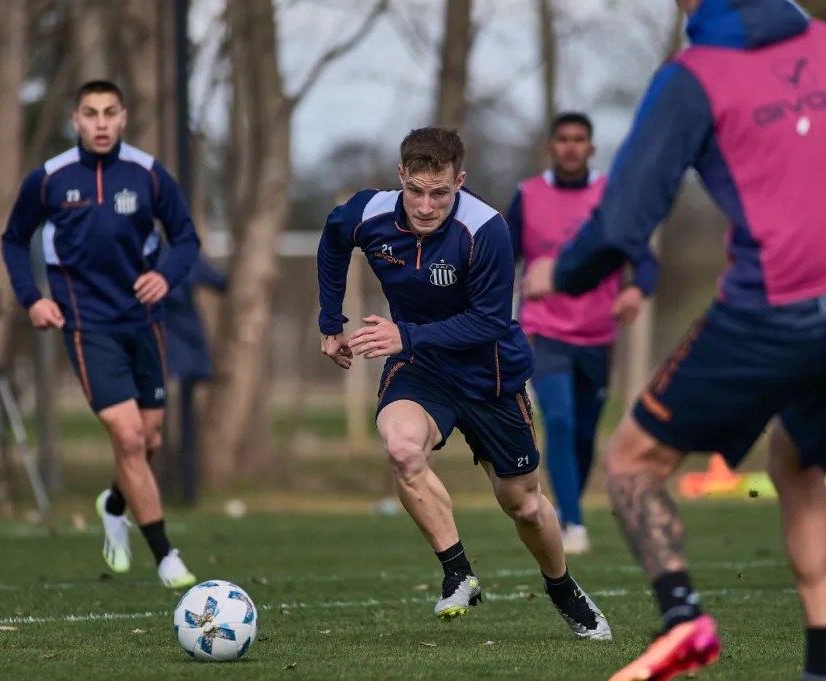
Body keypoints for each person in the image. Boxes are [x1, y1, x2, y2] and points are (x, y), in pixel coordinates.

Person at [521, 1, 826, 679]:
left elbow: (620, 224)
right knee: (799, 460)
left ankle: (684, 620)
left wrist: (558, 271)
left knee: (631, 461)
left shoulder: (696, 75)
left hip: (774, 311)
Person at [317, 126, 610, 639]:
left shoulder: (487, 228)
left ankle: (563, 588)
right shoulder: (370, 214)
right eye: (416, 191)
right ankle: (458, 571)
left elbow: (490, 323)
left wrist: (403, 334)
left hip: (489, 375)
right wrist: (329, 322)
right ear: (401, 176)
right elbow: (333, 238)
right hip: (422, 370)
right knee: (403, 449)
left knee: (521, 503)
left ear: (460, 182)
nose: (426, 206)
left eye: (440, 193)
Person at [1, 80, 201, 589]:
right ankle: (165, 556)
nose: (101, 123)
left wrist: (167, 276)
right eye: (90, 113)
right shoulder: (48, 179)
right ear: (76, 120)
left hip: (145, 323)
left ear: (124, 116)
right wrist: (33, 298)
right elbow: (12, 239)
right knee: (130, 438)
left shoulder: (149, 175)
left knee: (150, 438)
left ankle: (114, 503)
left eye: (110, 112)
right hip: (87, 326)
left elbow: (186, 238)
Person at [507, 112, 658, 555]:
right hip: (543, 329)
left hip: (597, 334)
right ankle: (572, 523)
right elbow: (503, 257)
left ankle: (571, 506)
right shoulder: (528, 196)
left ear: (591, 147)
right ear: (551, 146)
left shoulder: (609, 196)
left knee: (584, 434)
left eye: (579, 139)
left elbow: (644, 260)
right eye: (563, 139)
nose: (571, 146)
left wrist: (635, 290)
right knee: (558, 418)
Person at [143, 232, 227, 506]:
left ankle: (168, 489)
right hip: (181, 355)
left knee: (165, 425)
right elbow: (219, 282)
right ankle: (182, 490)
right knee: (178, 426)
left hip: (169, 355)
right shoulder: (180, 256)